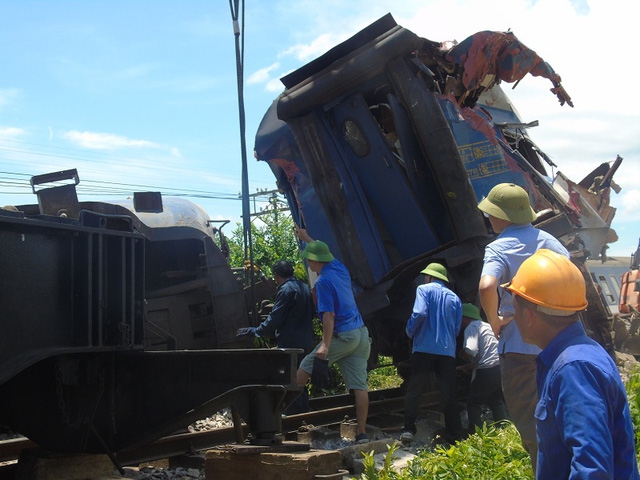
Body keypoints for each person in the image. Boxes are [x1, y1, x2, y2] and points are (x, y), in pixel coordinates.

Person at [505, 249, 639, 479]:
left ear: (529, 316)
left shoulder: (572, 369)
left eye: (515, 309)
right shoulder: (580, 352)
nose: (513, 316)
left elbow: (592, 469)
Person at [477, 182, 569, 471]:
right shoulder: (553, 243)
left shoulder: (498, 247)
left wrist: (494, 321)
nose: (488, 217)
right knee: (564, 418)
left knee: (532, 429)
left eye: (490, 212)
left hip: (517, 348)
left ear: (500, 217)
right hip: (558, 345)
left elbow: (487, 285)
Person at [294, 227, 371, 444]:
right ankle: (362, 433)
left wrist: (325, 347)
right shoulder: (339, 269)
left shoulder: (323, 282)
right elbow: (319, 247)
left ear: (314, 261)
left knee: (304, 368)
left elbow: (329, 315)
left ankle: (278, 417)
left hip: (343, 336)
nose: (308, 264)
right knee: (360, 386)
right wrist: (307, 237)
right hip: (360, 335)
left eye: (309, 260)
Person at [236, 260, 315, 414]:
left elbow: (275, 318)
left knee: (290, 378)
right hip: (306, 341)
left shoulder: (285, 290)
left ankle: (294, 414)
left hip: (290, 342)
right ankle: (303, 411)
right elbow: (312, 312)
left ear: (277, 276)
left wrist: (255, 330)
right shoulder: (304, 287)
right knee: (301, 376)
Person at [401, 263, 463, 444]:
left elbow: (419, 312)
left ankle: (408, 429)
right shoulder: (455, 298)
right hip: (447, 351)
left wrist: (409, 331)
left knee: (415, 389)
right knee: (449, 393)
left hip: (424, 348)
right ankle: (455, 437)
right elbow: (457, 328)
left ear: (429, 277)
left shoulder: (423, 289)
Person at [458, 303, 508, 433]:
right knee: (495, 400)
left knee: (474, 402)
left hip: (488, 368)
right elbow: (485, 352)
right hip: (501, 367)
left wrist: (460, 355)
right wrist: (468, 366)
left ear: (465, 317)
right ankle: (504, 430)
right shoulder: (487, 326)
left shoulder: (472, 327)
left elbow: (471, 350)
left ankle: (475, 434)